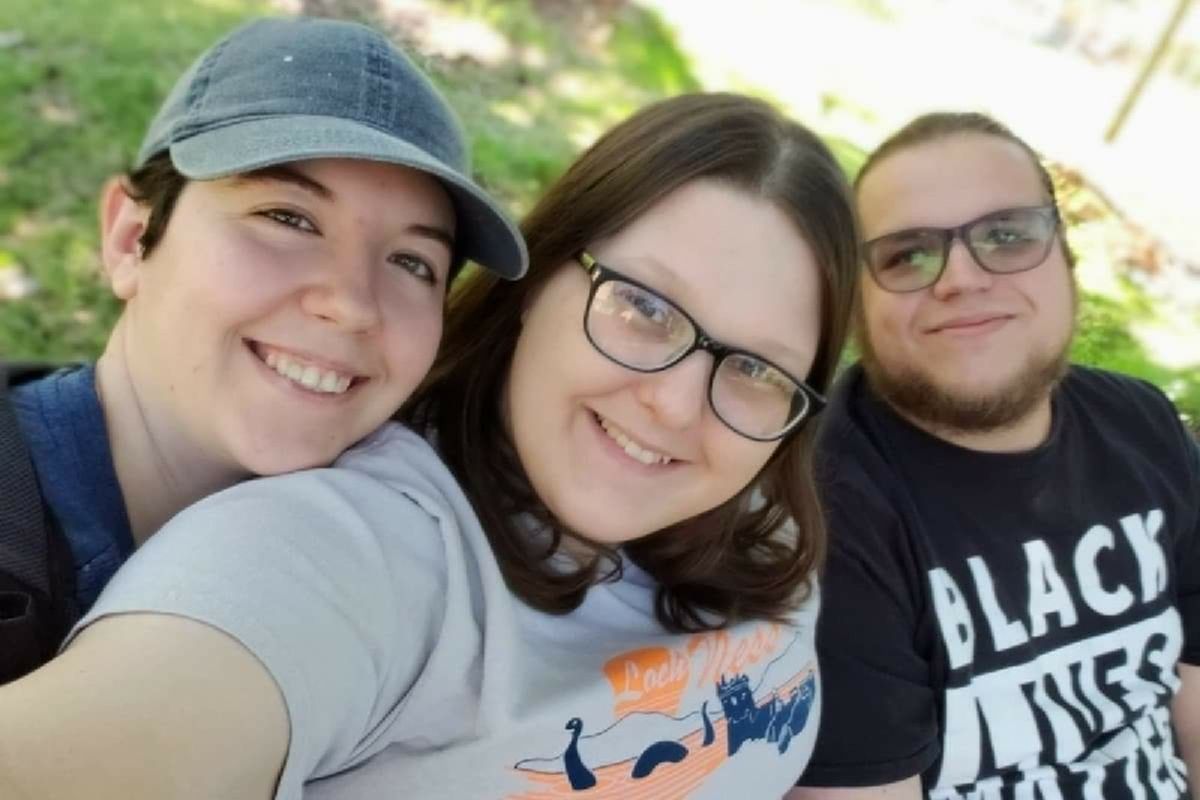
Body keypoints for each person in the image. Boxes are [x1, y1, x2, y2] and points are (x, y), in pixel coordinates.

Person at [0, 92, 859, 799]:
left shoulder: (759, 514)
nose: (675, 405)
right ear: (538, 283)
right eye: (642, 307)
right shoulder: (351, 554)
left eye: (757, 368)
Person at [0, 14, 526, 671]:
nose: (353, 304)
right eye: (288, 218)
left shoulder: (383, 579)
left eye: (412, 262)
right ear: (131, 241)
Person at [789, 112, 1200, 799]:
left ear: (1067, 259)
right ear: (857, 307)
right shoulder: (822, 507)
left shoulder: (1145, 426)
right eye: (907, 255)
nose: (961, 277)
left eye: (1007, 236)